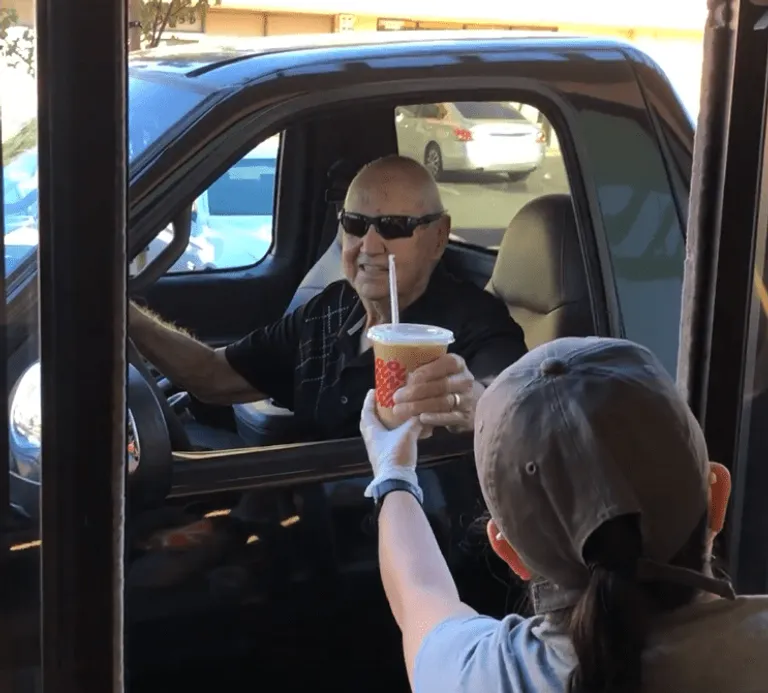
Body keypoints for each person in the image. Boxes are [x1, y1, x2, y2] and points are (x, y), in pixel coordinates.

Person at [360, 336, 768, 693]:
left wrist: (393, 473)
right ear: (717, 499)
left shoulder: (479, 676)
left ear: (510, 554)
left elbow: (419, 595)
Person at [130, 154, 527, 443]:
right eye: (355, 224)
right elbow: (213, 377)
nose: (370, 245)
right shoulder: (332, 308)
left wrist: (468, 402)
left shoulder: (477, 325)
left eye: (394, 227)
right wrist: (125, 316)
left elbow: (506, 409)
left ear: (439, 236)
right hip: (309, 520)